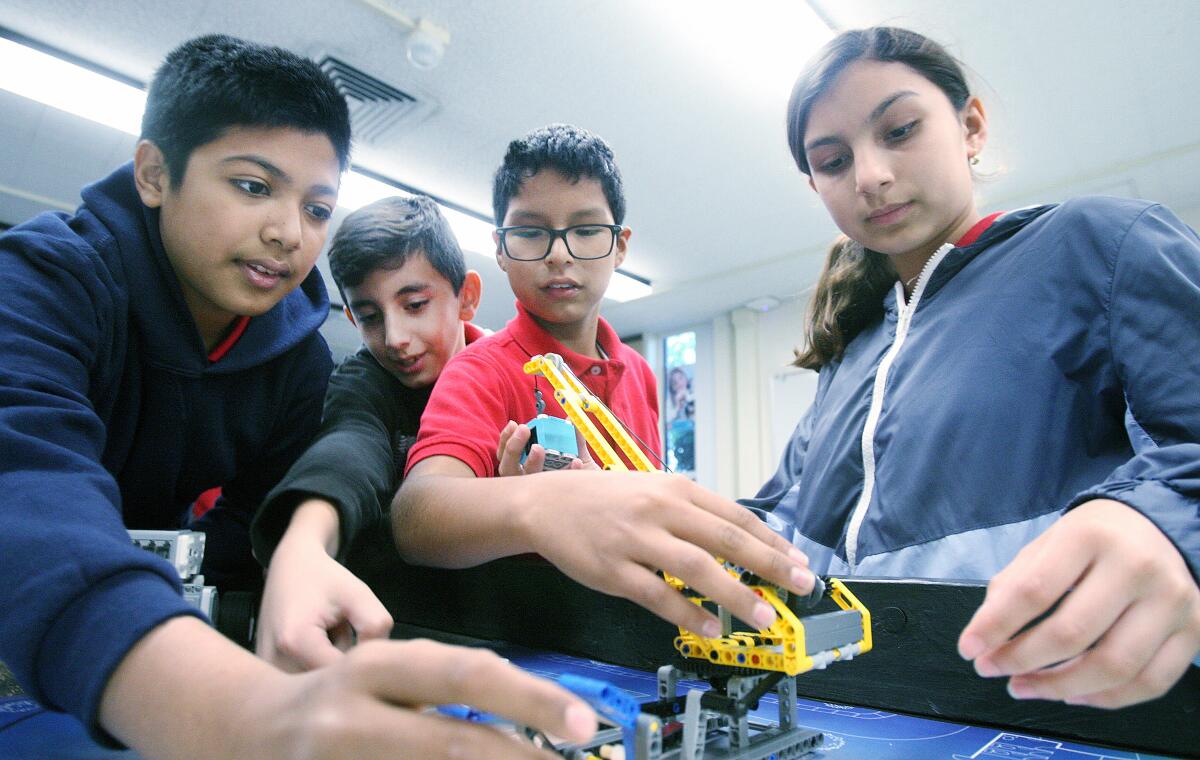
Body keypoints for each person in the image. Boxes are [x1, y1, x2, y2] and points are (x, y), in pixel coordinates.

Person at [0, 35, 597, 759]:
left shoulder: (294, 360)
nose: (287, 232)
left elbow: (260, 516)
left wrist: (288, 556)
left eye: (317, 209)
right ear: (156, 174)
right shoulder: (40, 283)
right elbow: (27, 494)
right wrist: (232, 708)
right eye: (253, 186)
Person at [747, 25, 1199, 709]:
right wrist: (623, 501)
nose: (871, 176)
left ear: (971, 126)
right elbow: (776, 521)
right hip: (859, 706)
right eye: (834, 162)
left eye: (899, 130)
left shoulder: (1098, 246)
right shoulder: (849, 350)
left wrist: (1161, 523)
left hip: (1060, 704)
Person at [394, 124, 816, 639]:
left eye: (586, 229)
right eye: (530, 232)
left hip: (634, 633)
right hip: (533, 640)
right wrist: (539, 506)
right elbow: (416, 518)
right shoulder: (480, 369)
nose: (559, 253)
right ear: (500, 249)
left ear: (620, 246)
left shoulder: (639, 371)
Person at [250, 195, 485, 672]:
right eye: (371, 317)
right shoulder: (363, 385)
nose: (395, 337)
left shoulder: (519, 375)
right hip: (394, 627)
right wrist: (303, 541)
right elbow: (349, 447)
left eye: (415, 304)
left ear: (466, 297)